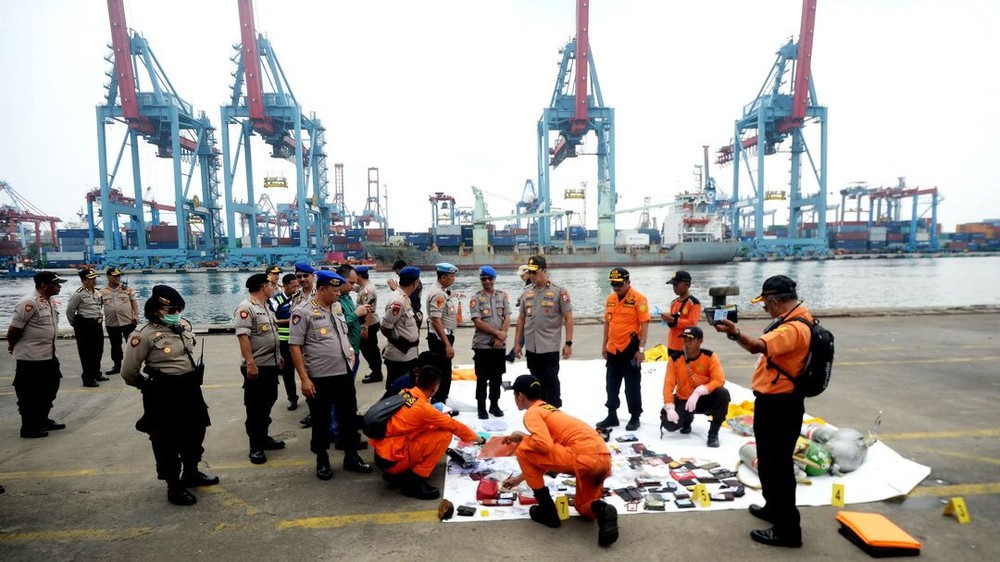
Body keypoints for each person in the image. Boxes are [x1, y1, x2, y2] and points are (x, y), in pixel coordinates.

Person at [714, 275, 810, 548]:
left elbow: (758, 345)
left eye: (765, 303)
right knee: (769, 461)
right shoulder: (794, 319)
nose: (764, 309)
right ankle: (774, 508)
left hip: (781, 405)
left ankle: (788, 530)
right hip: (775, 401)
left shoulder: (792, 329)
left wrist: (734, 333)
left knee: (779, 467)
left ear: (775, 300)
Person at [121, 285, 218, 506]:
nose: (176, 314)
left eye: (178, 310)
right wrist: (148, 387)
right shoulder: (143, 336)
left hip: (190, 390)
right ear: (157, 310)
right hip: (163, 394)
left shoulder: (181, 327)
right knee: (167, 441)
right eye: (172, 310)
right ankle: (174, 485)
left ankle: (191, 472)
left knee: (196, 432)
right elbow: (128, 372)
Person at [501, 375, 618, 548]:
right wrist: (519, 479)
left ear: (520, 396)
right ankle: (602, 510)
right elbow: (547, 459)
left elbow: (543, 446)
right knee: (584, 507)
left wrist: (522, 437)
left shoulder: (532, 413)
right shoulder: (550, 409)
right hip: (602, 459)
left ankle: (547, 511)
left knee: (523, 448)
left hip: (581, 458)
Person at [288, 270, 374, 481]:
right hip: (319, 377)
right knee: (321, 420)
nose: (338, 294)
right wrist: (304, 379)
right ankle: (322, 459)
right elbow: (295, 347)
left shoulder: (336, 307)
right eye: (334, 290)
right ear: (323, 289)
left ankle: (351, 456)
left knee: (348, 417)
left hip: (343, 372)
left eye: (339, 290)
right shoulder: (303, 311)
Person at [371, 365, 485, 500]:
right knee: (445, 435)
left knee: (434, 428)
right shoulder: (423, 408)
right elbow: (454, 426)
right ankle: (416, 481)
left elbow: (413, 423)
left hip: (383, 453)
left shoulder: (406, 393)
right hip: (395, 458)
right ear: (435, 387)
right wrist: (479, 439)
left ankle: (397, 474)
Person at [7, 271, 67, 438]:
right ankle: (29, 427)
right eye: (55, 284)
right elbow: (14, 330)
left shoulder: (49, 301)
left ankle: (42, 419)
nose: (59, 286)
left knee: (50, 388)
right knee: (29, 394)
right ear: (44, 285)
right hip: (30, 357)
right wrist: (12, 345)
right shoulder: (29, 303)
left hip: (49, 354)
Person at [235, 273, 284, 465]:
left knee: (268, 401)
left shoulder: (266, 308)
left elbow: (272, 336)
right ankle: (255, 446)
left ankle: (264, 437)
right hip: (256, 367)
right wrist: (250, 363)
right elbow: (243, 336)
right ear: (264, 287)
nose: (274, 288)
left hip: (270, 365)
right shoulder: (246, 308)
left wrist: (278, 357)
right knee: (255, 407)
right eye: (271, 285)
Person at [512, 255, 573, 408]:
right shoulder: (527, 292)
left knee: (551, 380)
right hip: (532, 348)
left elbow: (568, 318)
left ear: (544, 270)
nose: (532, 275)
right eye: (530, 272)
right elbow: (521, 319)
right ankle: (538, 410)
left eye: (535, 272)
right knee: (535, 382)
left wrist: (568, 343)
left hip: (549, 347)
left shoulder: (559, 292)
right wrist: (517, 344)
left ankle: (554, 410)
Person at [596, 267, 650, 431]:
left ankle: (635, 416)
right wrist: (604, 345)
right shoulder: (611, 298)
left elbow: (645, 324)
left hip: (630, 348)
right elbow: (608, 323)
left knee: (632, 385)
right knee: (611, 384)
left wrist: (641, 349)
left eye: (619, 284)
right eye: (613, 284)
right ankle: (612, 415)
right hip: (613, 349)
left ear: (628, 282)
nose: (616, 287)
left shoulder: (639, 299)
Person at [661, 326, 731, 448]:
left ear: (700, 341)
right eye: (684, 340)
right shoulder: (675, 359)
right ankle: (687, 419)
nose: (686, 343)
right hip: (684, 400)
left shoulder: (710, 356)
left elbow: (719, 380)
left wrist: (700, 391)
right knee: (669, 424)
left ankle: (713, 433)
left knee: (723, 394)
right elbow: (668, 384)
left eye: (690, 340)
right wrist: (669, 407)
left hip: (704, 399)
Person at [469, 265, 511, 419]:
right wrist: (497, 333)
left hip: (499, 345)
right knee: (482, 377)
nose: (486, 281)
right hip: (482, 345)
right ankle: (482, 407)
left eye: (489, 278)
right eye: (483, 279)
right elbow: (477, 322)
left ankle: (494, 404)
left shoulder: (503, 296)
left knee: (497, 376)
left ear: (494, 279)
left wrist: (501, 337)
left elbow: (507, 317)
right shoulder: (476, 298)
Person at [381, 266, 422, 390]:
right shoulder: (398, 301)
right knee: (396, 389)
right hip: (400, 356)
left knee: (406, 389)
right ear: (415, 283)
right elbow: (385, 327)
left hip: (408, 355)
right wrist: (398, 341)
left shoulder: (404, 298)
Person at [65, 267, 106, 387]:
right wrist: (76, 325)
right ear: (83, 280)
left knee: (98, 350)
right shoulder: (78, 294)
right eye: (90, 279)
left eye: (94, 278)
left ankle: (96, 373)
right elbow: (70, 311)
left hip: (96, 324)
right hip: (84, 325)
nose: (93, 281)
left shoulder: (97, 292)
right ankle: (87, 377)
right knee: (86, 353)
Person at [425, 262, 459, 405]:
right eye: (451, 276)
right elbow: (436, 320)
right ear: (443, 277)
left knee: (443, 372)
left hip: (442, 337)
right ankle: (439, 404)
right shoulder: (439, 294)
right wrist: (447, 345)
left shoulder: (441, 291)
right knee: (443, 375)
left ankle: (440, 402)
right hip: (441, 339)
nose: (454, 279)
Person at [269, 273, 300, 410]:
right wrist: (289, 322)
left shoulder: (300, 298)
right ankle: (292, 398)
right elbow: (271, 320)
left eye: (297, 286)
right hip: (284, 341)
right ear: (285, 285)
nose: (295, 289)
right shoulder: (276, 300)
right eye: (293, 287)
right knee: (288, 373)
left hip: (299, 341)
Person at [101, 267, 139, 375]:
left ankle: (133, 365)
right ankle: (117, 365)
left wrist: (136, 315)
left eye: (119, 275)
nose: (117, 278)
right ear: (108, 277)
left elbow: (134, 303)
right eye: (115, 276)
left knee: (132, 344)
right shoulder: (102, 291)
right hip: (112, 323)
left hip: (128, 321)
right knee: (115, 345)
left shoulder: (127, 289)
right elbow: (98, 305)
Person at [660, 270, 701, 360]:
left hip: (685, 346)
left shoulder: (693, 303)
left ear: (687, 284)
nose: (674, 288)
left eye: (676, 285)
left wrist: (672, 320)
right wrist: (667, 319)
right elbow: (672, 323)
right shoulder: (674, 302)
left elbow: (692, 324)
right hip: (672, 344)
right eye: (673, 285)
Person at [356, 265, 385, 385]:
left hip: (369, 323)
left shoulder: (367, 291)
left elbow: (368, 310)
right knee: (369, 348)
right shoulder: (365, 287)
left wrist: (365, 327)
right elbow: (354, 287)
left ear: (359, 276)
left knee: (370, 349)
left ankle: (377, 373)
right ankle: (375, 371)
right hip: (368, 322)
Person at [505, 264, 532, 363]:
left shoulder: (531, 283)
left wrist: (521, 299)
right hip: (527, 313)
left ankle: (512, 354)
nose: (521, 277)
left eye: (522, 275)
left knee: (526, 334)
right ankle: (512, 355)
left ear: (528, 273)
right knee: (525, 335)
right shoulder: (529, 283)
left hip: (530, 315)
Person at [387, 260, 423, 326]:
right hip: (407, 311)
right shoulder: (408, 282)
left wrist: (396, 289)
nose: (399, 276)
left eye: (399, 274)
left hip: (413, 311)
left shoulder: (415, 284)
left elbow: (408, 299)